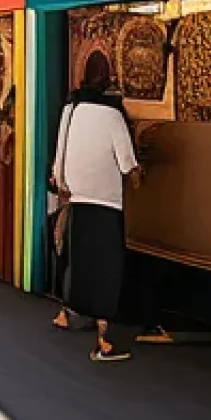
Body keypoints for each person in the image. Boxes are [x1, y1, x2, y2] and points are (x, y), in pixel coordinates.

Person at [51, 51, 140, 362]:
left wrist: (63, 182)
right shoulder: (113, 114)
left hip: (78, 195)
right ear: (108, 78)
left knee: (79, 261)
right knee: (106, 268)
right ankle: (105, 339)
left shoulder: (71, 108)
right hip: (106, 199)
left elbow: (59, 152)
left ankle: (66, 313)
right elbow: (127, 162)